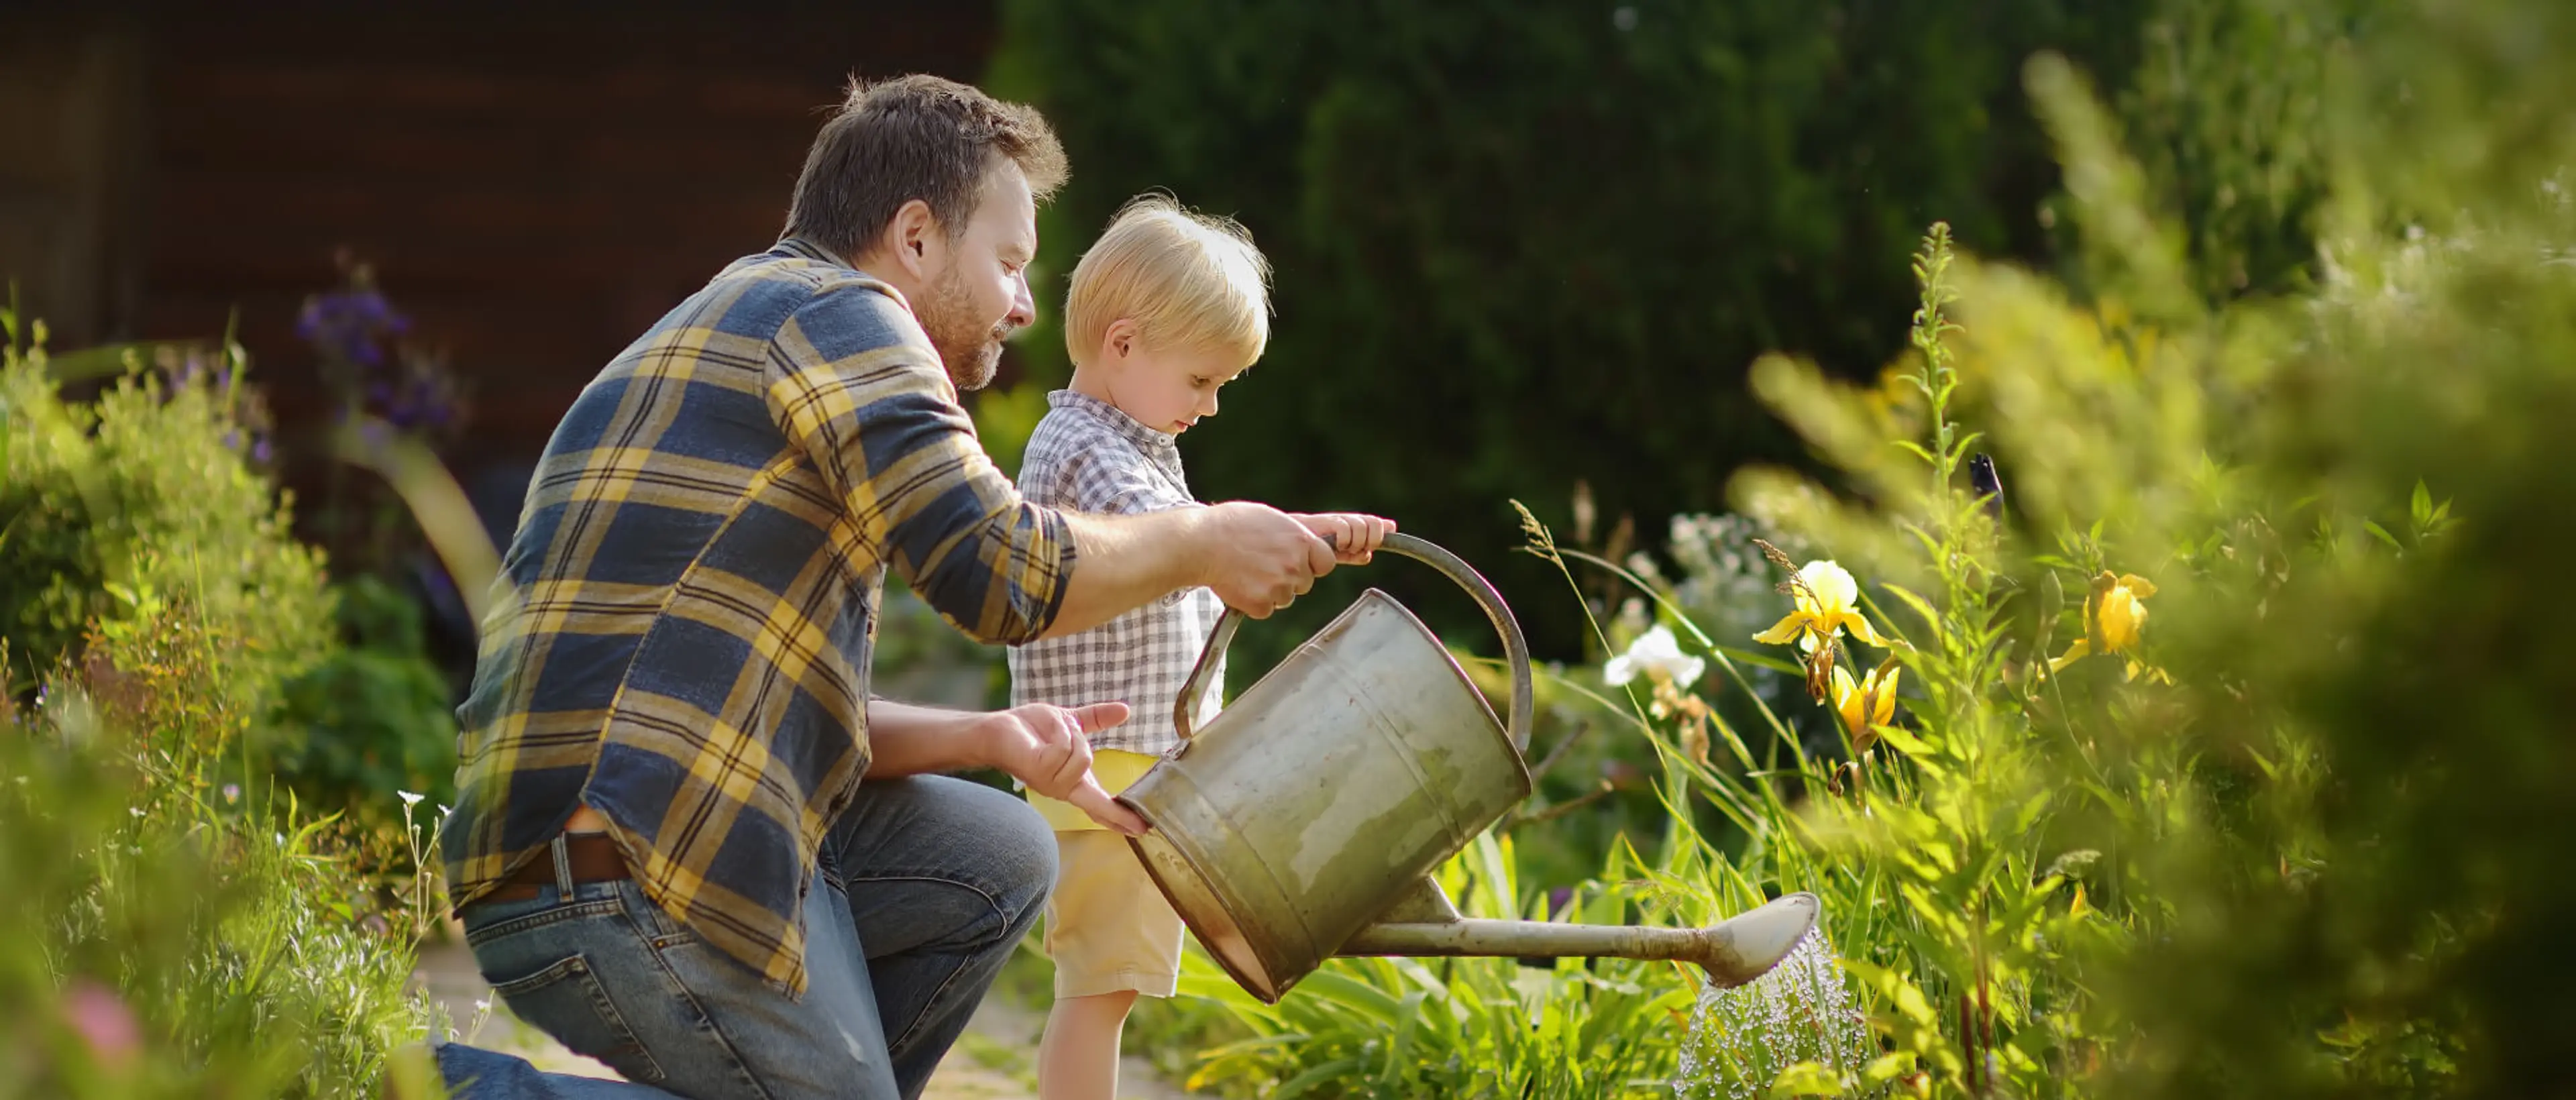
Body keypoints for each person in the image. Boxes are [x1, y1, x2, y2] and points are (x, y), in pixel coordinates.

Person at [427, 74, 1384, 1100]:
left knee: (1003, 849)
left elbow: (758, 701)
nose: (1025, 303)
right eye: (1009, 261)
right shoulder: (844, 316)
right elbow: (999, 573)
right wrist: (1202, 538)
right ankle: (401, 1084)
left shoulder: (745, 319)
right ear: (916, 237)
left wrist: (983, 739)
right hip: (614, 860)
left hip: (641, 826)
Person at [1004, 195, 1391, 1100]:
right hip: (1111, 764)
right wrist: (1306, 530)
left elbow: (1201, 535)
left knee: (1110, 983)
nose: (1211, 407)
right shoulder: (1091, 451)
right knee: (1101, 986)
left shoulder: (1116, 441)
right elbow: (1193, 540)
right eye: (1202, 381)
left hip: (1126, 758)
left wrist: (1306, 534)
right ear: (1126, 344)